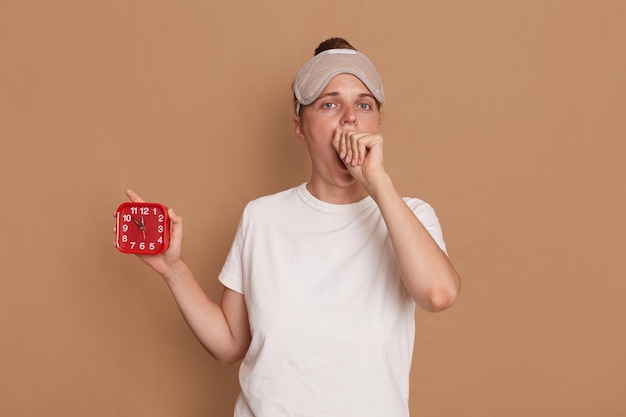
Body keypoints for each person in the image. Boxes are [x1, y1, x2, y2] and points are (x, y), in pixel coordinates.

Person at [118, 37, 461, 417]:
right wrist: (173, 270)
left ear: (376, 122)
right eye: (329, 104)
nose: (349, 118)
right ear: (299, 127)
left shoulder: (408, 214)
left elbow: (439, 294)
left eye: (363, 105)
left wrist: (377, 183)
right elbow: (231, 344)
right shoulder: (261, 218)